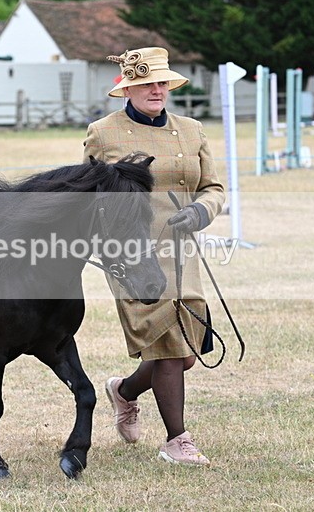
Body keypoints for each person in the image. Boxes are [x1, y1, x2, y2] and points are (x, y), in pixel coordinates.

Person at [83, 47, 225, 466]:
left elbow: (213, 188)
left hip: (183, 250)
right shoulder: (103, 132)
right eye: (146, 84)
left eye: (162, 82)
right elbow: (85, 194)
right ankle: (177, 441)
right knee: (165, 347)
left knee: (185, 354)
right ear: (128, 88)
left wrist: (200, 211)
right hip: (133, 255)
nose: (156, 90)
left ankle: (124, 391)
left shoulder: (191, 130)